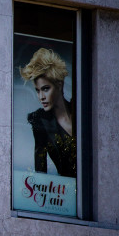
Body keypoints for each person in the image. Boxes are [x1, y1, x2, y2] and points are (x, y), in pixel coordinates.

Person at [20, 48, 76, 177]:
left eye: (45, 89)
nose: (41, 97)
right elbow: (40, 168)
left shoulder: (80, 111)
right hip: (64, 192)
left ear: (59, 85)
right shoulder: (40, 121)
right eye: (38, 90)